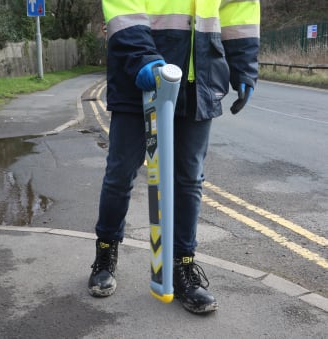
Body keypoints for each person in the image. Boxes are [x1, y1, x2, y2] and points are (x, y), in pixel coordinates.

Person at [87, 0, 260, 314]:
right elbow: (123, 7)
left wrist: (244, 65)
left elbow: (239, 8)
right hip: (139, 76)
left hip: (200, 79)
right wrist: (141, 57)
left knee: (189, 178)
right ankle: (105, 252)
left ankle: (182, 268)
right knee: (122, 172)